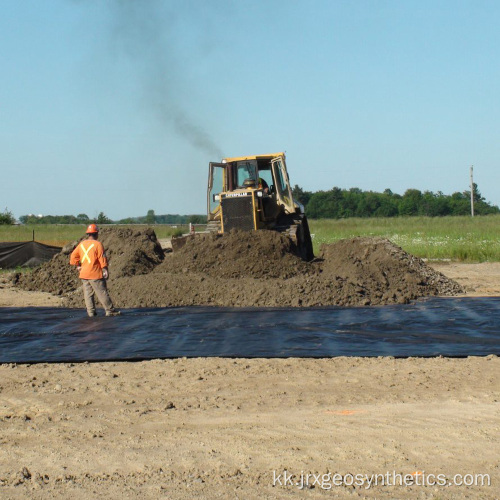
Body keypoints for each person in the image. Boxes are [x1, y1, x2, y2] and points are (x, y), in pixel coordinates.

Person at [70, 224, 120, 317]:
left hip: (84, 273)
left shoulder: (82, 244)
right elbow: (102, 258)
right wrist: (105, 269)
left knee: (88, 294)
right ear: (96, 233)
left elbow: (73, 256)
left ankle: (91, 312)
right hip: (94, 273)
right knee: (101, 292)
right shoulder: (97, 244)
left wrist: (78, 265)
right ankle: (110, 310)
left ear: (88, 234)